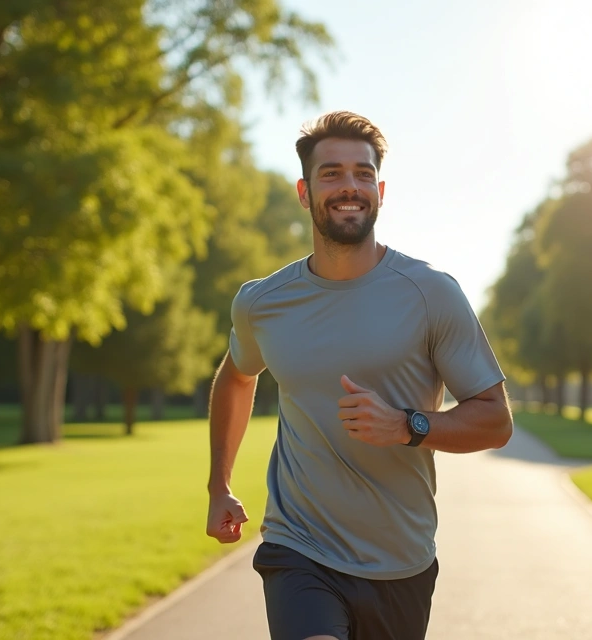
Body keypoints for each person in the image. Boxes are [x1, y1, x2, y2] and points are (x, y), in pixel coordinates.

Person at [205, 110, 513, 640]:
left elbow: (495, 421)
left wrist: (407, 426)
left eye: (362, 173)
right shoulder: (262, 302)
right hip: (299, 546)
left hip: (400, 560)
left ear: (380, 189)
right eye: (332, 174)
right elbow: (236, 377)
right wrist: (218, 486)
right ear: (304, 192)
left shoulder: (431, 293)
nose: (349, 186)